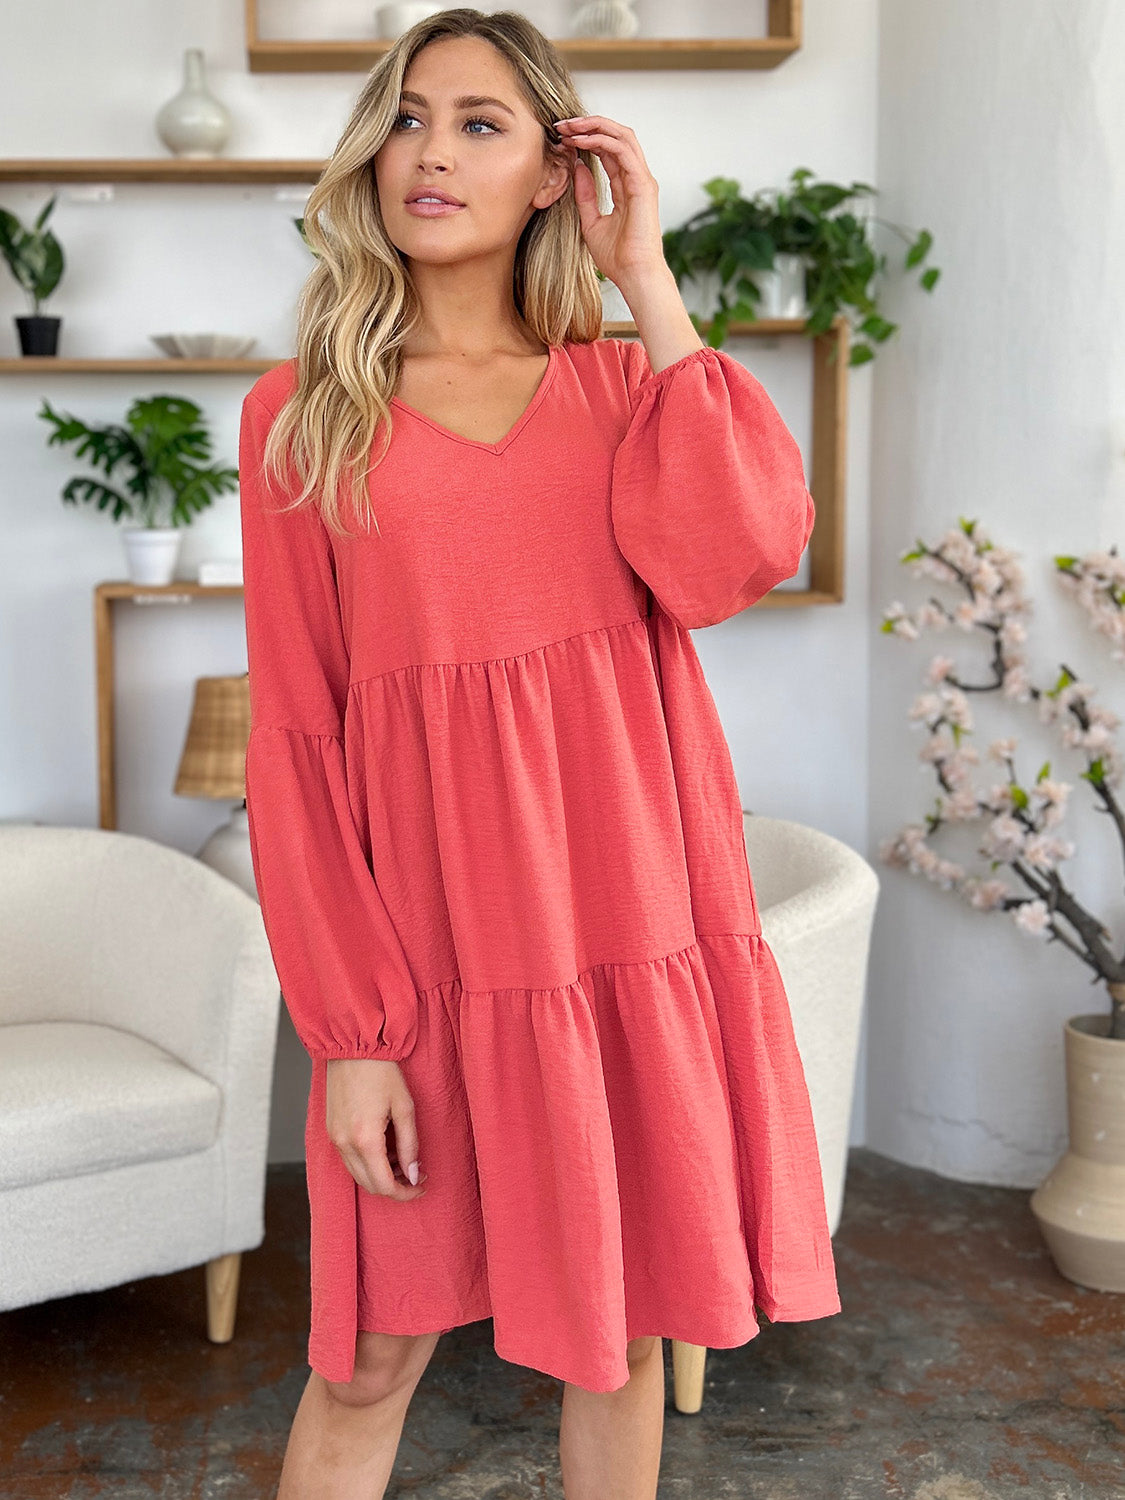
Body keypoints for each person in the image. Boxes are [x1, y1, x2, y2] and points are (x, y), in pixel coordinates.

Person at [238, 8, 842, 1498]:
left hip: (622, 925)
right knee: (369, 1353)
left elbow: (741, 553)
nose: (430, 152)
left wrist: (645, 278)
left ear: (552, 175)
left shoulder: (623, 395)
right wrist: (354, 1033)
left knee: (619, 1335)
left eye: (481, 124)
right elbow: (300, 740)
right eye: (407, 116)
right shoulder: (301, 420)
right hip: (432, 957)